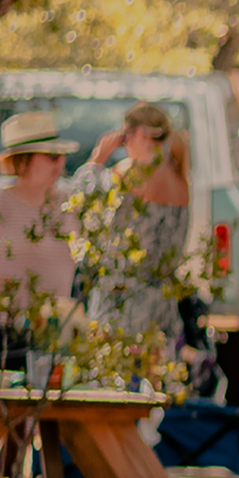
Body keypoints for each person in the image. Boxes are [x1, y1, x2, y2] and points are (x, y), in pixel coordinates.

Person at [0, 112, 80, 373]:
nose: (60, 162)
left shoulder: (71, 205)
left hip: (57, 339)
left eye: (61, 154)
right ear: (24, 159)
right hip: (1, 338)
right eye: (51, 155)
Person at [83, 103, 195, 368]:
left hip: (124, 298)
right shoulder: (179, 178)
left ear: (143, 135)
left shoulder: (131, 173)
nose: (123, 145)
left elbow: (82, 200)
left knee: (115, 380)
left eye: (126, 137)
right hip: (162, 299)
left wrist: (98, 158)